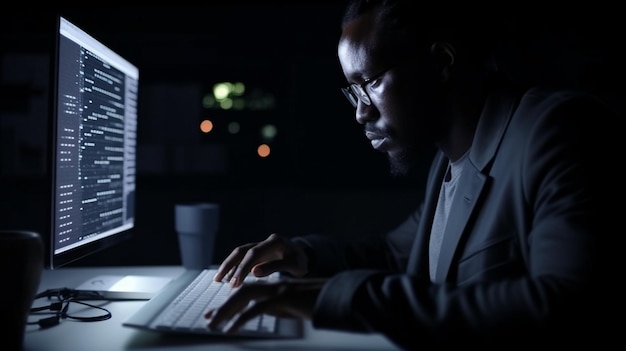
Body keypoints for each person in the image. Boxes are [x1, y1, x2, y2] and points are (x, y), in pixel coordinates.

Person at [204, 0, 623, 347]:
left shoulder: (559, 131)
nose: (360, 111)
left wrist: (341, 298)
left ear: (441, 62)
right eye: (352, 91)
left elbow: (563, 303)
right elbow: (398, 256)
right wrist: (299, 255)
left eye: (368, 83)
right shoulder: (449, 159)